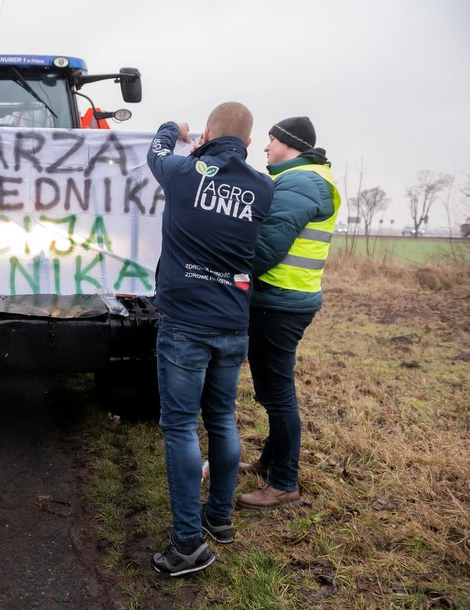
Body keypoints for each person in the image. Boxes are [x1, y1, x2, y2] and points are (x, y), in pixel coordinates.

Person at [146, 102, 274, 576]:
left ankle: (187, 545)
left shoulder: (182, 171)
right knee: (221, 418)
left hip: (184, 323)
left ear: (206, 134)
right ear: (247, 141)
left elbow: (155, 152)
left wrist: (172, 129)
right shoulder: (263, 188)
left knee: (180, 426)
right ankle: (219, 518)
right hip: (233, 323)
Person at [237, 116, 341, 510]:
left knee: (277, 392)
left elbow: (268, 247)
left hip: (279, 301)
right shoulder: (309, 178)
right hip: (287, 298)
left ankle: (284, 483)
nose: (266, 148)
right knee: (273, 388)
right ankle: (270, 462)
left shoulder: (299, 182)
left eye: (271, 140)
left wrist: (231, 278)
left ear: (288, 143)